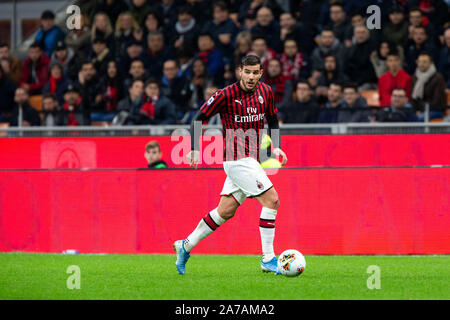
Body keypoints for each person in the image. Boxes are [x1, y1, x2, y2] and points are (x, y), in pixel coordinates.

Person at [174, 54, 288, 275]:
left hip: (252, 160)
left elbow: (273, 119)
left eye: (256, 72)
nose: (251, 76)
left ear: (261, 73)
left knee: (224, 211)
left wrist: (276, 146)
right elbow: (198, 119)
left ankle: (185, 245)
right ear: (240, 71)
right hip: (236, 159)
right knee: (272, 200)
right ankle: (268, 258)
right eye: (248, 72)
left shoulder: (266, 92)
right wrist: (195, 148)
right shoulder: (224, 95)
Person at [411, 53, 447, 120]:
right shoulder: (415, 77)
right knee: (406, 114)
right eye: (419, 61)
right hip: (419, 109)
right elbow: (413, 98)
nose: (421, 64)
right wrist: (415, 110)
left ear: (431, 63)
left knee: (418, 118)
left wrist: (421, 110)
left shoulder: (438, 78)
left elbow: (437, 101)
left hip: (435, 110)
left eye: (424, 62)